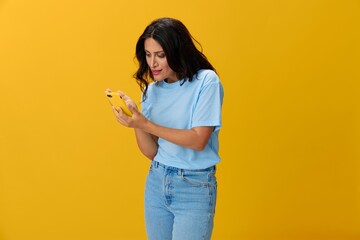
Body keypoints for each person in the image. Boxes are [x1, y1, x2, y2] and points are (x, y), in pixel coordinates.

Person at [106, 17, 224, 240]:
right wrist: (136, 123)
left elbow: (198, 140)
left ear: (178, 51)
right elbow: (152, 152)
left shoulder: (206, 82)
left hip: (194, 186)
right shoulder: (151, 91)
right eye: (148, 55)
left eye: (160, 55)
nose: (153, 63)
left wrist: (147, 124)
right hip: (157, 181)